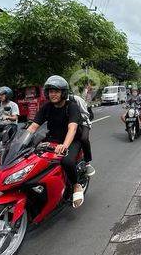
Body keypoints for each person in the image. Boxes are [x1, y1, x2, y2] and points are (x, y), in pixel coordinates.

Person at [27, 75, 93, 208]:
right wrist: (21, 142)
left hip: (72, 140)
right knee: (33, 158)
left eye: (56, 91)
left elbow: (72, 128)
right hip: (53, 139)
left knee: (66, 160)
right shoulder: (46, 107)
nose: (53, 94)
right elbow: (33, 127)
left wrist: (64, 146)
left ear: (63, 93)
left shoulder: (72, 107)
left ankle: (76, 185)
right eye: (51, 91)